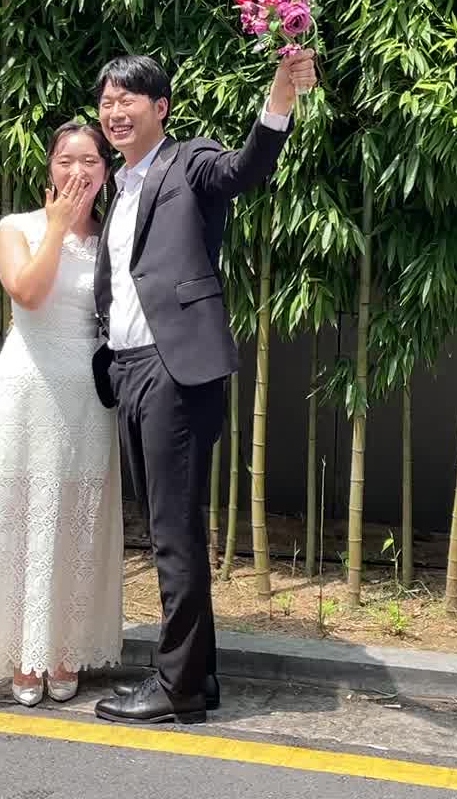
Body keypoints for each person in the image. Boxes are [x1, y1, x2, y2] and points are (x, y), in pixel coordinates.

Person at [90, 51, 317, 725]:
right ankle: (200, 676)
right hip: (130, 369)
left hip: (174, 368)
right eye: (106, 101)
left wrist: (281, 92)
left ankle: (177, 687)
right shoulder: (118, 187)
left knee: (173, 534)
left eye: (128, 99)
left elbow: (246, 168)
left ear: (160, 108)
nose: (114, 112)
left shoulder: (189, 162)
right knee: (171, 526)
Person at [0, 121, 122, 707]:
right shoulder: (16, 228)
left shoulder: (114, 236)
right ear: (49, 167)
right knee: (21, 517)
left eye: (90, 160)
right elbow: (27, 292)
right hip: (27, 385)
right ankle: (25, 654)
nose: (78, 171)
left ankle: (66, 650)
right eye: (66, 160)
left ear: (106, 170)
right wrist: (55, 228)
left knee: (76, 519)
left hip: (87, 394)